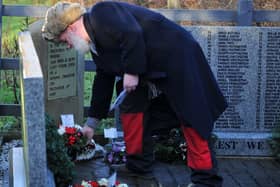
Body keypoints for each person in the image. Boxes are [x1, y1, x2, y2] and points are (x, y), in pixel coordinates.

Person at [42, 1, 228, 186]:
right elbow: (103, 81)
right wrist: (92, 124)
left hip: (178, 60)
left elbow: (132, 33)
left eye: (63, 39)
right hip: (149, 69)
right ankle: (138, 164)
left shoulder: (101, 12)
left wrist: (132, 72)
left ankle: (205, 180)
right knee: (132, 106)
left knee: (192, 119)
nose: (67, 45)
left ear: (71, 26)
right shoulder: (95, 44)